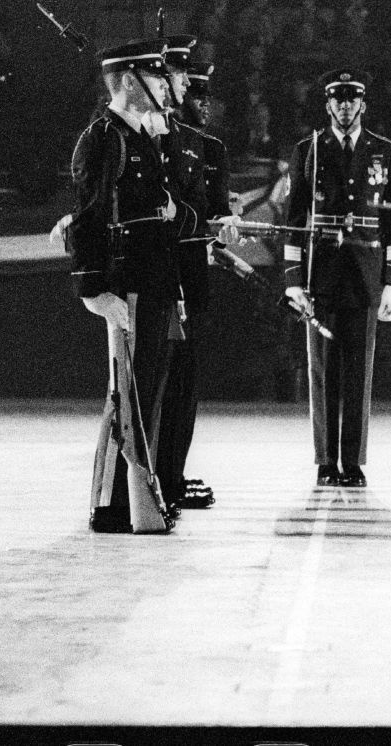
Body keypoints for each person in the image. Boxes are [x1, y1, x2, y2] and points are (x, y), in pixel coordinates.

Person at [65, 38, 200, 535]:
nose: (166, 85)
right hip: (129, 283)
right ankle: (112, 505)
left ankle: (133, 499)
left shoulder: (143, 135)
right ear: (127, 80)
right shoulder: (105, 138)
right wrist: (94, 292)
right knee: (128, 395)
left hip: (156, 279)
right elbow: (87, 218)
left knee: (146, 392)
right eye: (155, 76)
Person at [282, 70, 391, 488]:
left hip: (366, 273)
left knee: (359, 372)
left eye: (353, 100)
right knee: (322, 371)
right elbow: (295, 218)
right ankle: (324, 458)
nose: (346, 106)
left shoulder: (384, 152)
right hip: (322, 272)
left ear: (363, 105)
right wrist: (293, 279)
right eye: (339, 99)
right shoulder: (310, 149)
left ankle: (352, 461)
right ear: (328, 105)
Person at [155, 35, 241, 515]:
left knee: (186, 384)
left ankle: (175, 473)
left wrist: (224, 226)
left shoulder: (210, 150)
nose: (203, 104)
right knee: (162, 381)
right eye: (195, 93)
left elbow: (218, 214)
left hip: (195, 279)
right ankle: (162, 476)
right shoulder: (160, 142)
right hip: (165, 274)